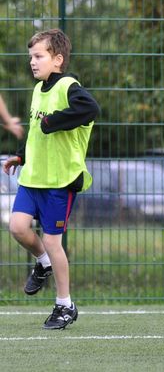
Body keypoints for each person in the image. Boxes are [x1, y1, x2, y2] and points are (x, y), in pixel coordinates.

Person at [3, 29, 99, 329]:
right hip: (34, 177)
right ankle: (43, 263)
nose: (32, 62)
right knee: (17, 227)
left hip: (60, 180)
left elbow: (90, 108)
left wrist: (52, 122)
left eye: (38, 56)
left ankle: (64, 304)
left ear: (57, 59)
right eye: (30, 57)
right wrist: (21, 156)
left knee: (52, 241)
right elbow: (35, 130)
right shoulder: (38, 90)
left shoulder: (69, 86)